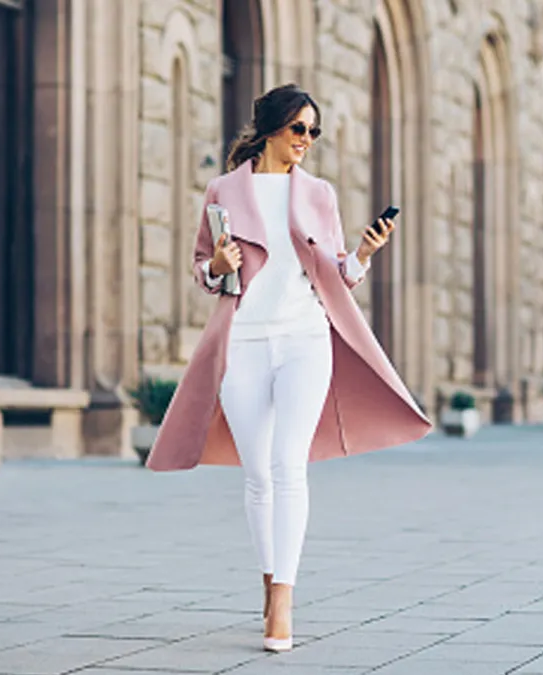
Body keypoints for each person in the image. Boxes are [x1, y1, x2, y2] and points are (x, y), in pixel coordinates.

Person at [145, 84, 433, 652]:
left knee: (288, 465)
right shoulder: (223, 190)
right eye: (300, 128)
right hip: (245, 342)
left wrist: (365, 254)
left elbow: (335, 273)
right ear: (272, 128)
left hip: (306, 339)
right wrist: (219, 264)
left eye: (314, 131)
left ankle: (284, 597)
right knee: (258, 475)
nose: (307, 141)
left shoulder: (320, 194)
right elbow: (203, 270)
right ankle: (268, 577)